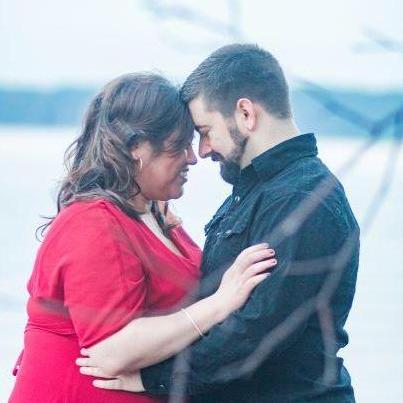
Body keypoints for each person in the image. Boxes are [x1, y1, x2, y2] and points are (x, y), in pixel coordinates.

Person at [78, 44, 360, 402]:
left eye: (205, 130)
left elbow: (255, 334)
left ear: (245, 113)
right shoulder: (256, 191)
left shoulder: (302, 200)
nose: (203, 150)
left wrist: (150, 378)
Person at [8, 73, 277, 403]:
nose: (192, 157)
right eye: (178, 146)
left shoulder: (154, 213)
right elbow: (111, 350)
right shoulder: (92, 222)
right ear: (136, 147)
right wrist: (220, 303)